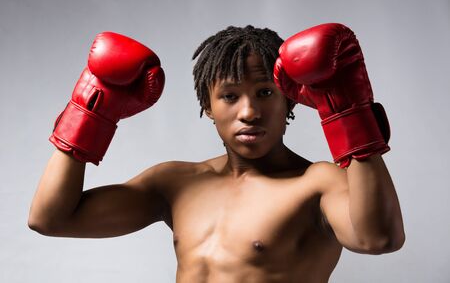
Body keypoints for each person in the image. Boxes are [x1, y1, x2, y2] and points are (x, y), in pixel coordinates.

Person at [28, 24, 405, 282]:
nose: (248, 112)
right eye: (229, 95)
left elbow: (378, 239)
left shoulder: (317, 183)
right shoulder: (175, 183)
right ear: (208, 106)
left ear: (289, 98)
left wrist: (350, 113)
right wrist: (89, 115)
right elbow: (52, 219)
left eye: (264, 93)